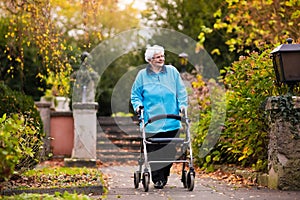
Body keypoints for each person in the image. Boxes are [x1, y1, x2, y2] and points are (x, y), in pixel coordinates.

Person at [131, 45, 188, 189]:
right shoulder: (142, 76)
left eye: (162, 56)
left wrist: (182, 105)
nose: (161, 59)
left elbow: (181, 91)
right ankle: (157, 178)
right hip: (152, 121)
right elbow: (135, 95)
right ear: (150, 60)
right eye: (158, 57)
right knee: (154, 151)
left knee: (169, 150)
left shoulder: (173, 72)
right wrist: (138, 106)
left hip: (172, 120)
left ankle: (164, 176)